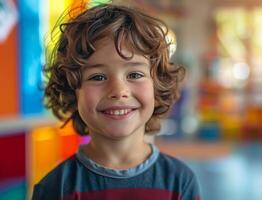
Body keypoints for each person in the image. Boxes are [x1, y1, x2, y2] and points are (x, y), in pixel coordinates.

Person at [32, 3, 200, 200]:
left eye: (135, 74)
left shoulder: (180, 181)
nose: (119, 91)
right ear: (72, 90)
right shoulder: (54, 188)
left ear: (157, 85)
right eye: (98, 77)